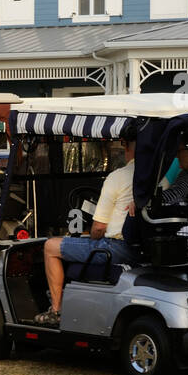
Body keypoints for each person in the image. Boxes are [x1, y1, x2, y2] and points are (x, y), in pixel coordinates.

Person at [37, 138, 137, 327]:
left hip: (116, 248)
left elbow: (98, 227)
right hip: (140, 247)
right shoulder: (157, 176)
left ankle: (56, 310)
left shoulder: (118, 177)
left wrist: (90, 236)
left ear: (127, 148)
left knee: (50, 246)